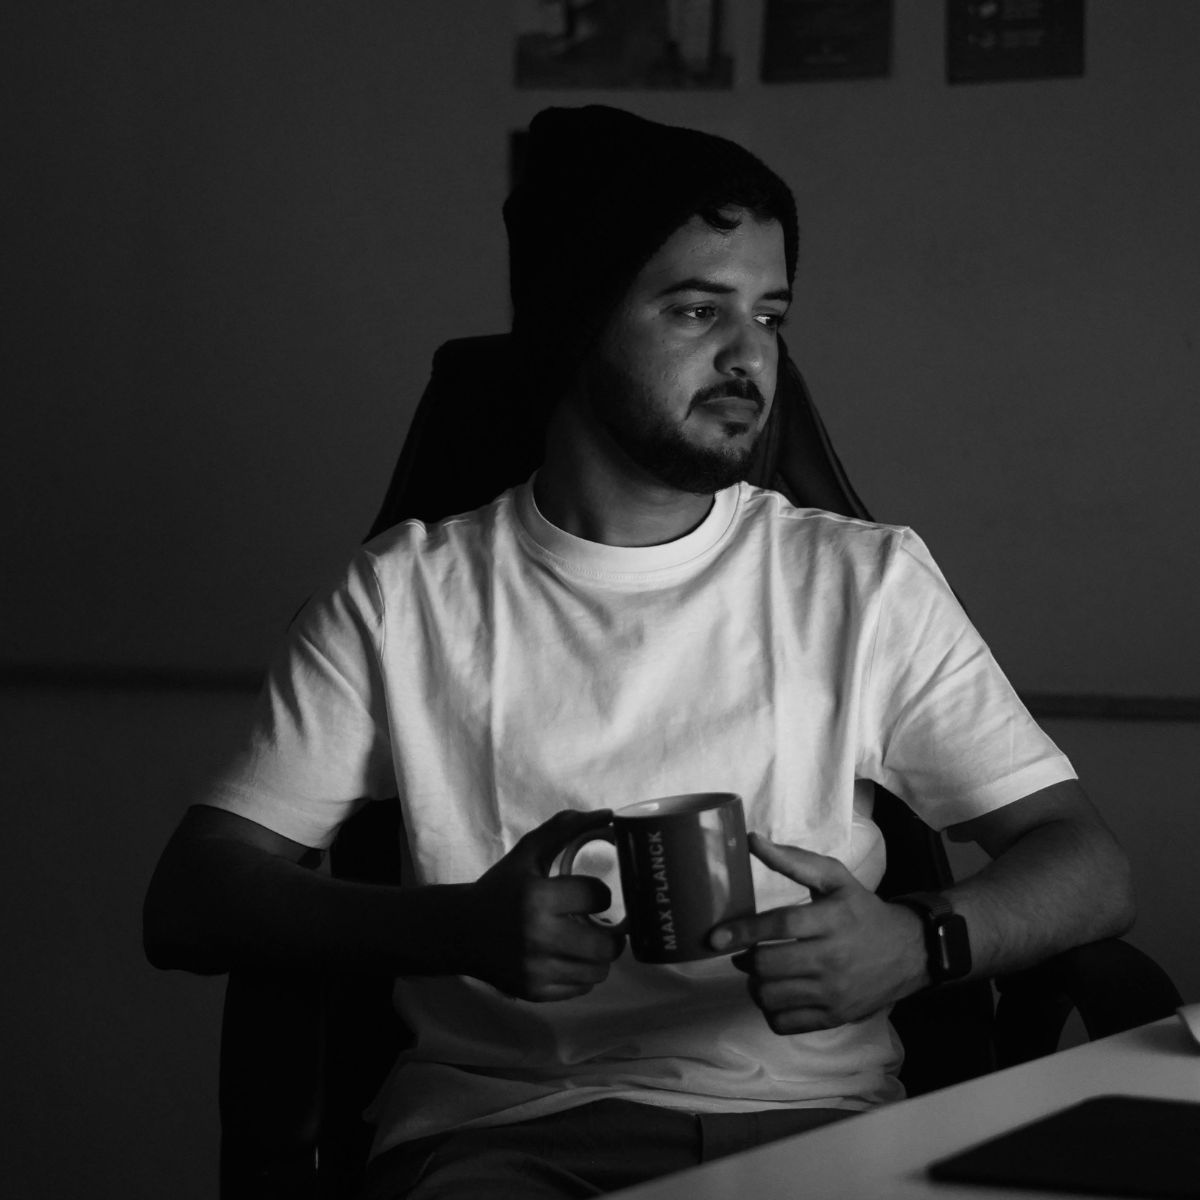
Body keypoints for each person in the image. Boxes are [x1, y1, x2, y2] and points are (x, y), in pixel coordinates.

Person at [144, 106, 1134, 1199]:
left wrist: (921, 940)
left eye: (770, 313)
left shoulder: (863, 582)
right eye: (698, 309)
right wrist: (453, 929)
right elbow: (193, 895)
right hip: (500, 1138)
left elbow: (1086, 864)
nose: (750, 355)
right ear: (576, 323)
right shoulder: (401, 598)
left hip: (820, 1136)